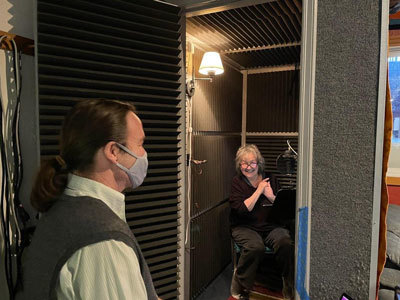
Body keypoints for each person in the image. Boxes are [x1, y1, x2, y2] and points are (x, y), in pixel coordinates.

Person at [16, 99, 160, 300]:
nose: (143, 154)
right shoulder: (104, 244)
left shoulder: (64, 206)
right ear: (114, 152)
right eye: (140, 144)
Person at [229, 144, 294, 300]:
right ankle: (242, 285)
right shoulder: (237, 183)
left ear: (258, 163)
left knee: (285, 242)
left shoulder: (271, 178)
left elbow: (283, 208)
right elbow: (242, 210)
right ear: (239, 165)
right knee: (255, 246)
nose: (249, 167)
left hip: (270, 226)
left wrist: (271, 195)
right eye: (244, 163)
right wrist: (259, 191)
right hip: (245, 227)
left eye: (252, 162)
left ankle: (288, 284)